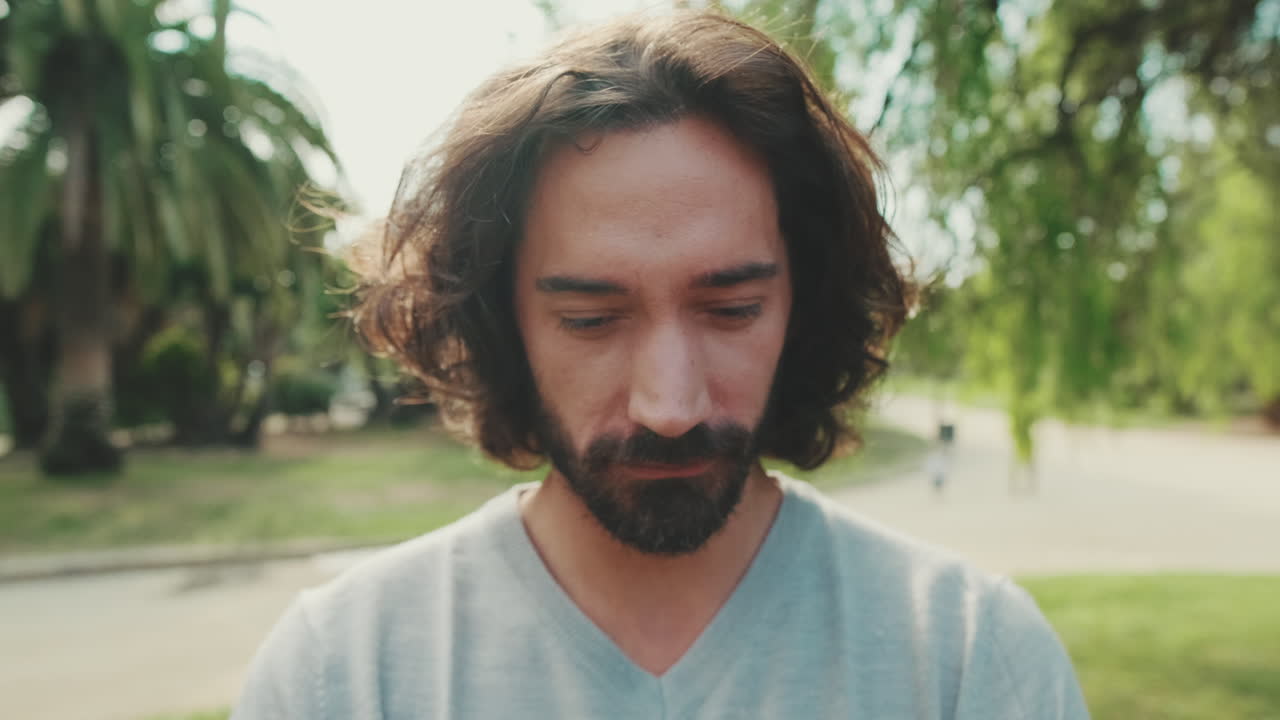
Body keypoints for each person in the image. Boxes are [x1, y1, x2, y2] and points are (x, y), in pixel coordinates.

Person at [232, 11, 1089, 719]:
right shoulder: (342, 676)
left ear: (804, 302)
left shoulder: (971, 662)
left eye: (730, 311)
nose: (670, 406)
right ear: (501, 324)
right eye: (592, 320)